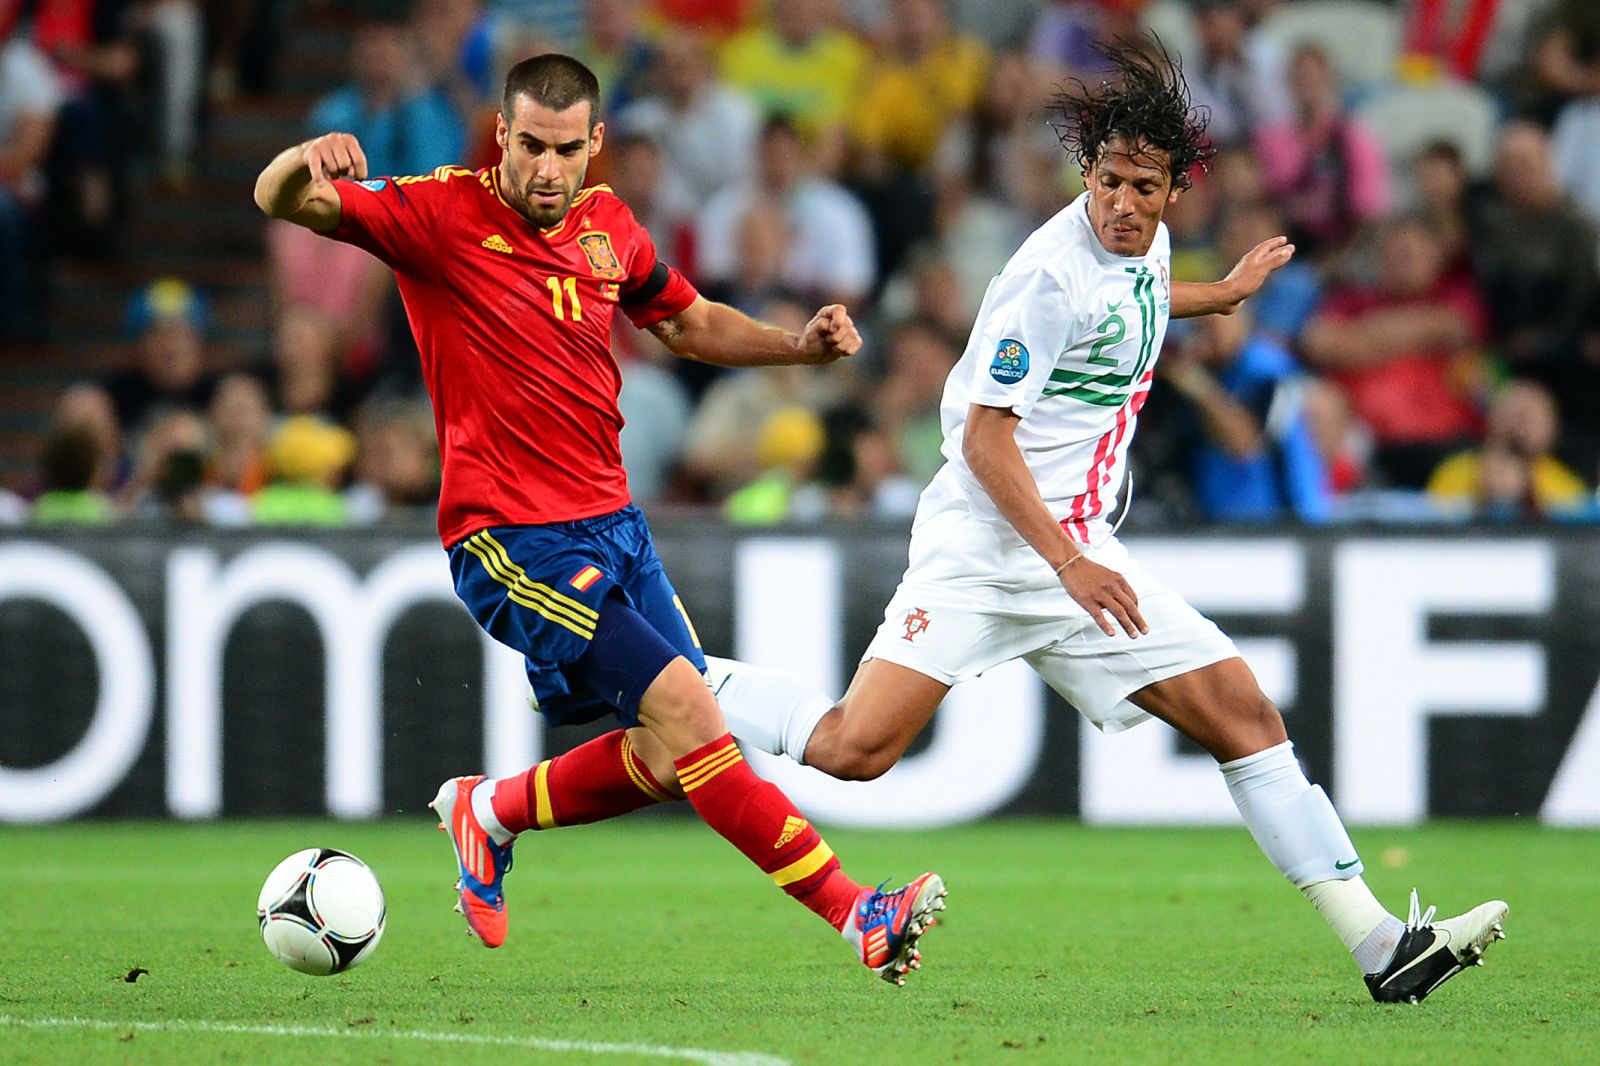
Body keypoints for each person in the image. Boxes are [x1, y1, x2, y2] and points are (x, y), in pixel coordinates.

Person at [704, 39, 1508, 1006]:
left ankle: (1383, 946)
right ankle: (679, 674)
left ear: (1175, 190)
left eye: (1148, 187)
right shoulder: (1046, 281)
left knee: (1244, 716)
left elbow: (1141, 301)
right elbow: (988, 442)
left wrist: (1225, 295)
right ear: (1087, 174)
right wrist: (1069, 566)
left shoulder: (1148, 246)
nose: (1126, 205)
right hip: (990, 546)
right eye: (1113, 183)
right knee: (852, 751)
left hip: (1076, 550)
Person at [253, 52, 944, 984]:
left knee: (672, 752)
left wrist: (796, 348)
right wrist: (307, 157)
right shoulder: (439, 214)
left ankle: (490, 812)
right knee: (697, 714)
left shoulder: (610, 226)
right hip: (510, 538)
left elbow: (686, 321)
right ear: (502, 134)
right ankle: (858, 910)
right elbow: (279, 201)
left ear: (595, 146)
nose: (546, 169)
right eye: (530, 146)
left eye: (566, 150)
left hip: (617, 527)